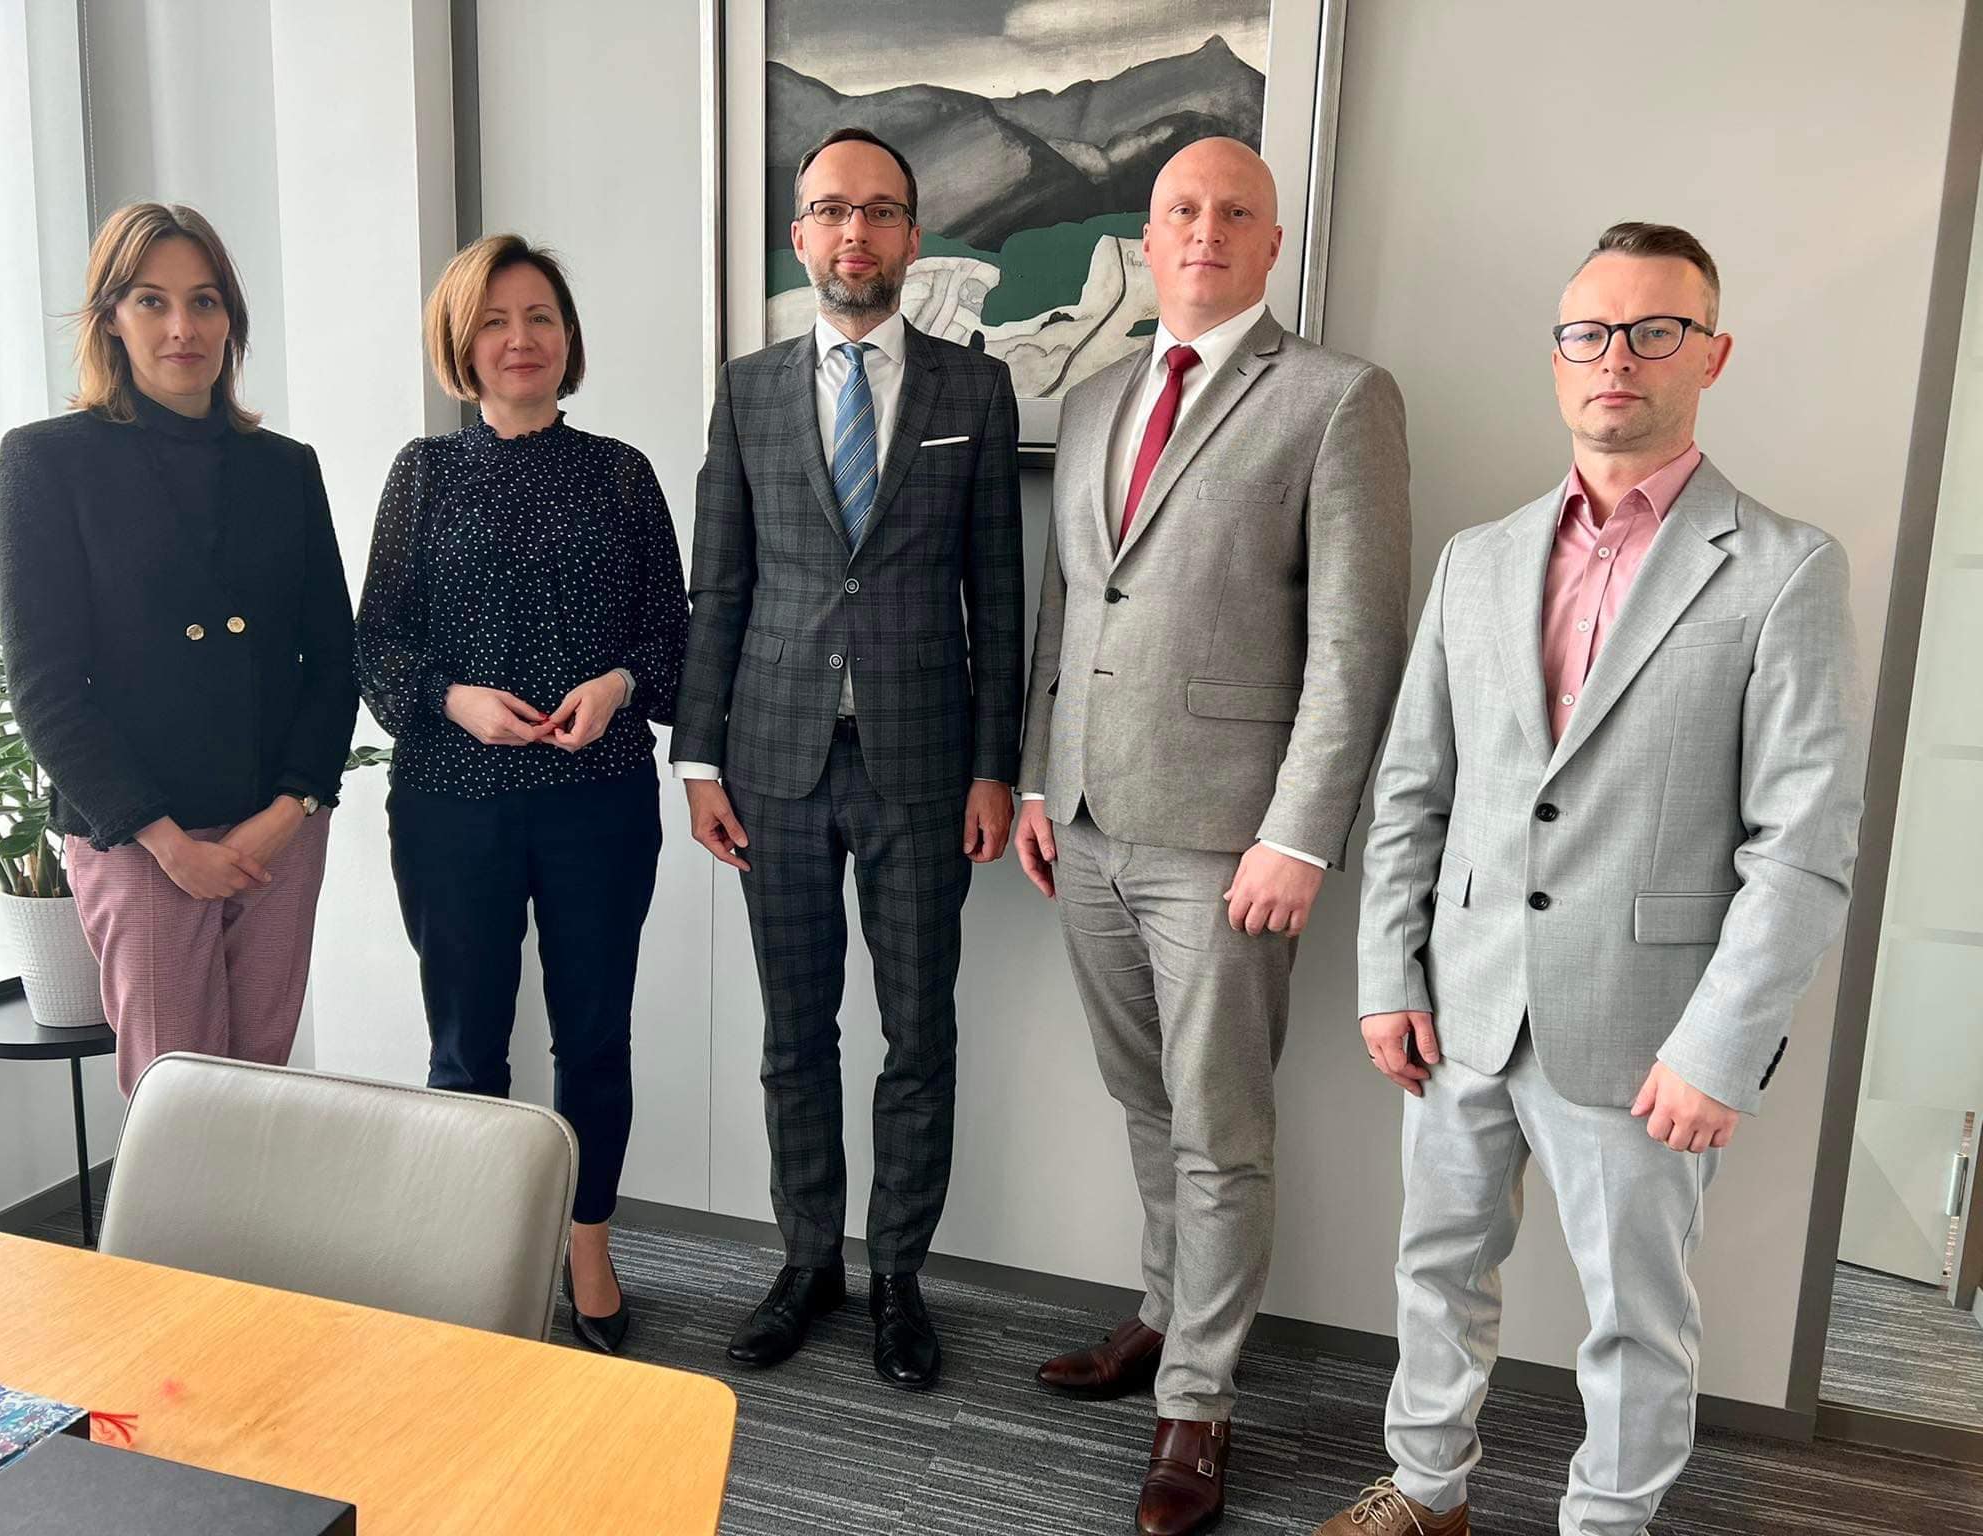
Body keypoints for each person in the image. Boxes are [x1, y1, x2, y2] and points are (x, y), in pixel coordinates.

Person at [1314, 223, 1866, 1536]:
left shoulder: (1783, 569)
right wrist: (1389, 971)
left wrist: (1718, 1048)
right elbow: (1412, 788)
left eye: (1653, 330)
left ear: (1710, 355)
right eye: (1588, 332)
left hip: (1648, 1033)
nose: (1616, 356)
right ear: (1556, 358)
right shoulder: (1478, 559)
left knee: (1635, 1317)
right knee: (1434, 1271)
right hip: (1462, 1006)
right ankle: (1425, 1494)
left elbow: (1801, 844)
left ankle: (1607, 1525)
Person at [1014, 138, 1412, 1535]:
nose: (1204, 229)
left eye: (1234, 211)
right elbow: (1070, 609)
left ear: (1271, 240)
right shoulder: (1097, 398)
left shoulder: (1338, 398)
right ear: (1148, 232)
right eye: (1181, 209)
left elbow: (1357, 644)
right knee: (1145, 1100)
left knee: (1220, 1125)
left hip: (1229, 842)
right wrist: (1037, 782)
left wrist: (1299, 835)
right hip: (1085, 821)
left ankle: (1199, 1403)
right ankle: (1163, 1314)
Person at [670, 127, 1024, 1390]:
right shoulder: (747, 389)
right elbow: (720, 586)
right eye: (831, 211)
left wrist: (996, 764)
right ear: (799, 236)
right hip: (770, 761)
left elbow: (998, 590)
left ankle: (898, 1280)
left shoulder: (973, 391)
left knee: (917, 1032)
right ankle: (807, 1261)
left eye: (878, 212)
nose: (853, 234)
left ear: (912, 238)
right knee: (793, 1031)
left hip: (923, 766)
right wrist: (696, 762)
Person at [355, 234, 689, 1356]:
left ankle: (587, 1247)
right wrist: (454, 700)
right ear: (463, 341)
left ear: (567, 337)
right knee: (467, 1044)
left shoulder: (621, 474)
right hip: (453, 802)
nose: (519, 339)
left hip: (598, 797)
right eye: (494, 320)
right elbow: (377, 644)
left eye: (539, 316)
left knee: (594, 1038)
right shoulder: (422, 475)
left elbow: (673, 636)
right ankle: (477, 1252)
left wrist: (620, 683)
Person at [0, 201, 357, 1097]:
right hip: (139, 835)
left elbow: (332, 658)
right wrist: (164, 841)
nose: (182, 328)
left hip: (275, 824)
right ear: (111, 318)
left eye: (204, 301)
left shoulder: (285, 467)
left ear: (231, 318)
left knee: (261, 1083)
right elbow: (45, 687)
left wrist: (292, 807)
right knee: (178, 1098)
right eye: (152, 301)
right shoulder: (49, 462)